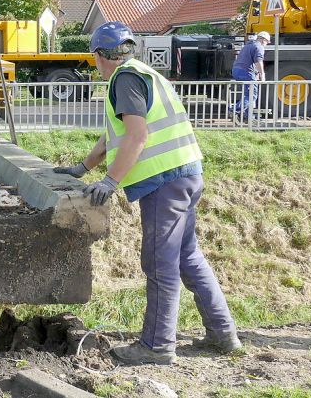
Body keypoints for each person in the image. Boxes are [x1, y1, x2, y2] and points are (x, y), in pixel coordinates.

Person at [53, 21, 240, 366]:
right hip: (187, 174)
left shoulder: (123, 79)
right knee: (188, 257)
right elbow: (117, 135)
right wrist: (83, 168)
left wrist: (110, 181)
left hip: (163, 182)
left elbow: (137, 136)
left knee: (159, 263)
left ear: (98, 55)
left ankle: (156, 346)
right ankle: (222, 333)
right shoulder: (143, 72)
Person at [230, 31, 270, 120]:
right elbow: (258, 61)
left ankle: (248, 116)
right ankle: (234, 110)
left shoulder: (248, 45)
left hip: (236, 70)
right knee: (252, 95)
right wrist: (262, 74)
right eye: (267, 41)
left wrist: (255, 73)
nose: (266, 44)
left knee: (248, 94)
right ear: (263, 39)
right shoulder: (259, 47)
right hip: (246, 72)